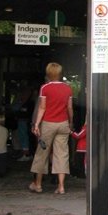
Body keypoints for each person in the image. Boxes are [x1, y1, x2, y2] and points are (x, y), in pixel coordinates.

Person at [29, 62, 73, 195]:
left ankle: (38, 184)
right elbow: (69, 108)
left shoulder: (45, 88)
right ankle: (61, 186)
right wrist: (71, 122)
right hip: (63, 123)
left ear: (48, 73)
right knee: (61, 154)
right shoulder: (68, 88)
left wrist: (36, 124)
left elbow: (42, 108)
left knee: (42, 153)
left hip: (48, 123)